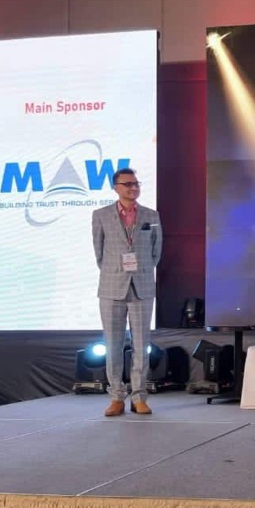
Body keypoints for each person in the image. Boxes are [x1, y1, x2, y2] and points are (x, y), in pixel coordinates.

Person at [92, 168, 163, 417]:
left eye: (136, 183)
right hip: (111, 286)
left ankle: (139, 397)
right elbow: (99, 252)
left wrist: (140, 270)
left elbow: (156, 251)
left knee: (141, 345)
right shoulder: (101, 215)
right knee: (113, 345)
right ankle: (116, 397)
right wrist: (117, 271)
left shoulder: (151, 215)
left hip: (142, 285)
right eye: (128, 184)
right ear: (116, 187)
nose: (133, 188)